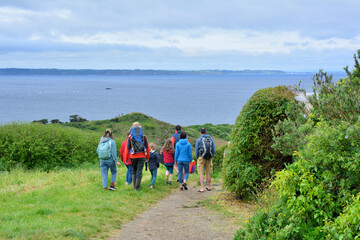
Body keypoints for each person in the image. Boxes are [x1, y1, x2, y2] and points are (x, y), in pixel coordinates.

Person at [124, 122, 150, 190]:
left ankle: (134, 186)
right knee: (139, 171)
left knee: (134, 170)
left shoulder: (130, 137)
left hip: (133, 156)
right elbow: (147, 148)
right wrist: (147, 157)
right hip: (142, 156)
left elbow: (127, 149)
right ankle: (137, 187)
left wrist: (126, 158)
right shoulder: (143, 137)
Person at [195, 127, 215, 192]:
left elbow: (196, 150)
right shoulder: (210, 139)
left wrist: (197, 157)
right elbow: (213, 149)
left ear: (200, 132)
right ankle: (209, 187)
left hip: (201, 157)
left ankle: (202, 188)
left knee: (201, 173)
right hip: (209, 157)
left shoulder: (199, 139)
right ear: (206, 132)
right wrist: (211, 156)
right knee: (208, 172)